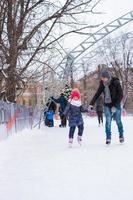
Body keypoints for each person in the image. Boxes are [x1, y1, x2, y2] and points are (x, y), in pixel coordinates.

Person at [89, 69, 124, 145]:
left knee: (118, 121)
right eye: (102, 78)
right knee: (108, 121)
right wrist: (91, 104)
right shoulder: (102, 84)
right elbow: (97, 94)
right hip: (107, 104)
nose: (102, 79)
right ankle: (108, 137)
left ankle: (121, 135)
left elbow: (121, 95)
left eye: (103, 78)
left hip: (116, 104)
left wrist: (115, 106)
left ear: (108, 77)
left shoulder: (116, 82)